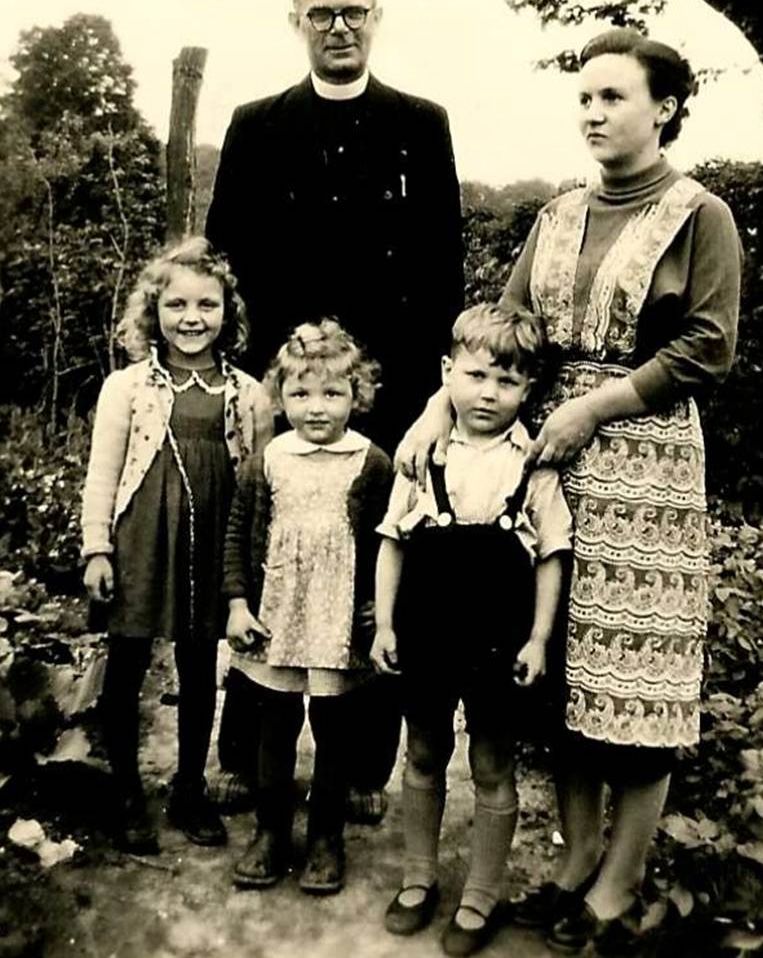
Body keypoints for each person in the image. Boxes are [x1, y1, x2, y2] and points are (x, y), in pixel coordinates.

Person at [397, 30, 742, 956]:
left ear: (664, 108)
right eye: (583, 98)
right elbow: (505, 334)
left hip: (645, 465)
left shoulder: (699, 214)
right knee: (560, 669)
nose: (592, 113)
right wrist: (433, 411)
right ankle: (575, 854)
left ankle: (617, 886)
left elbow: (707, 346)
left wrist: (593, 408)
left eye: (612, 97)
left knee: (636, 681)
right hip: (547, 460)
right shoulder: (554, 216)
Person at [206, 0, 464, 819]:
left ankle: (355, 771)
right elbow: (229, 265)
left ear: (377, 16)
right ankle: (247, 757)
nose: (339, 27)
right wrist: (252, 381)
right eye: (321, 13)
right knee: (270, 554)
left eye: (354, 10)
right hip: (283, 394)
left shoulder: (420, 124)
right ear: (297, 22)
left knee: (372, 573)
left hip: (384, 400)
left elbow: (440, 273)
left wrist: (431, 402)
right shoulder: (256, 125)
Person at [371, 303, 572, 957]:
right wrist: (384, 624)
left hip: (498, 631)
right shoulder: (421, 452)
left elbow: (551, 555)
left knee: (491, 761)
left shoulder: (534, 463)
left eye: (506, 381)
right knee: (424, 751)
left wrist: (538, 637)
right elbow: (391, 542)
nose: (488, 393)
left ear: (528, 388)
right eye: (476, 376)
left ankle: (480, 895)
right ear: (446, 373)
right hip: (427, 622)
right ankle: (418, 878)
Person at [80, 236, 273, 854]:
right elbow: (103, 474)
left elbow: (259, 482)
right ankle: (127, 791)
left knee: (198, 667)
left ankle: (189, 787)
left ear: (227, 313)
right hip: (140, 539)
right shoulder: (126, 387)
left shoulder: (248, 393)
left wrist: (251, 563)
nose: (192, 319)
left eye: (207, 305)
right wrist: (97, 549)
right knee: (127, 664)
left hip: (211, 541)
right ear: (153, 311)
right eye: (177, 305)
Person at [223, 320, 392, 895]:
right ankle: (271, 832)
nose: (316, 407)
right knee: (275, 726)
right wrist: (238, 603)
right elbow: (237, 534)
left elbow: (387, 543)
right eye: (300, 393)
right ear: (280, 396)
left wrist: (379, 607)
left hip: (336, 621)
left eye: (332, 393)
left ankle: (325, 837)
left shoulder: (372, 463)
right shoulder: (268, 459)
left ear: (356, 395)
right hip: (278, 614)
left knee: (335, 730)